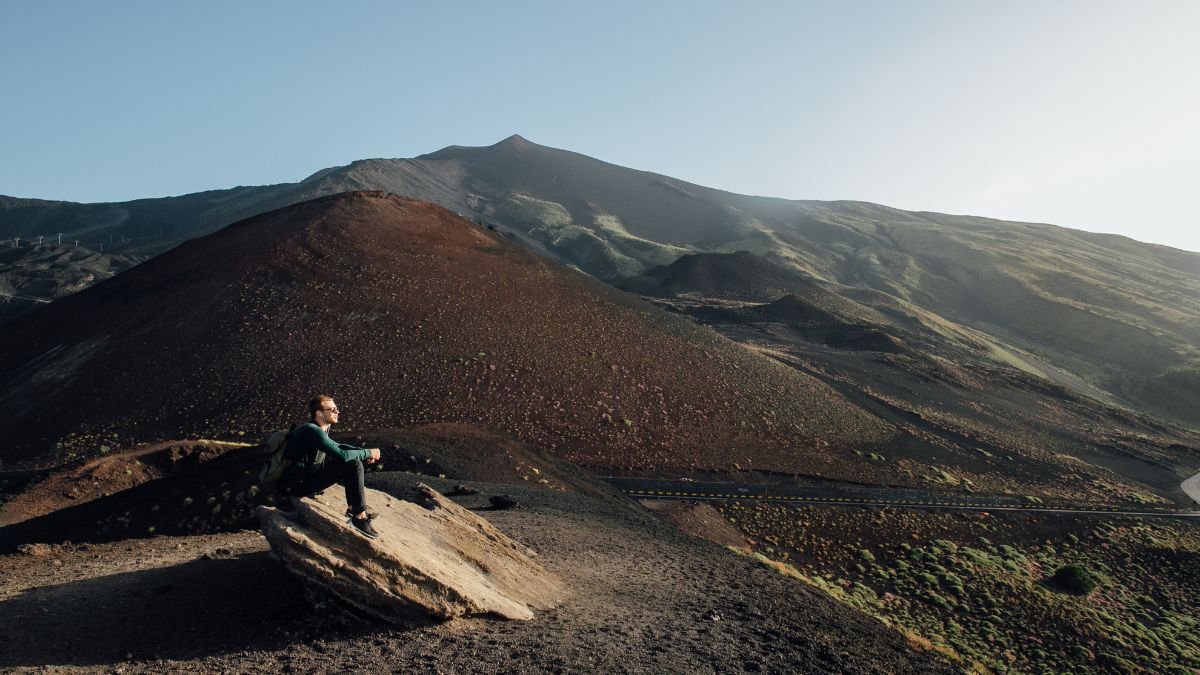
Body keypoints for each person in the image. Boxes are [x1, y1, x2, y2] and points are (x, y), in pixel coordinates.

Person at [277, 395, 382, 539]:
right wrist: (368, 452)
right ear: (320, 413)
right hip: (296, 487)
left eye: (337, 409)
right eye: (333, 409)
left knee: (352, 462)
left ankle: (353, 509)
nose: (337, 412)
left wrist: (364, 452)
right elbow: (342, 454)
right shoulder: (311, 430)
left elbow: (338, 446)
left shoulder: (319, 429)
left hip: (305, 479)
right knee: (353, 464)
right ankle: (359, 518)